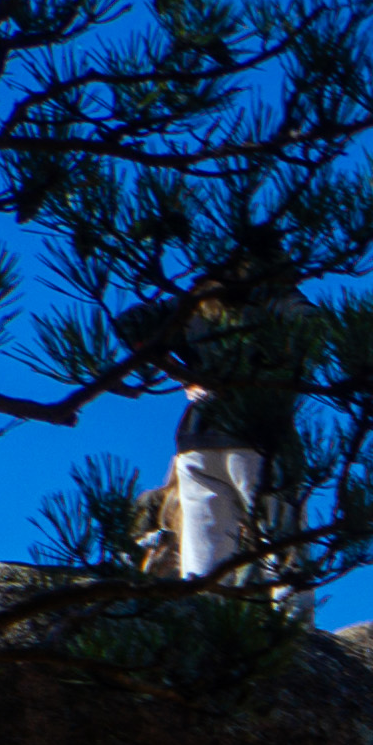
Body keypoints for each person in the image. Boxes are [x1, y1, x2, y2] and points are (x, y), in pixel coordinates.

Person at [116, 261, 322, 615]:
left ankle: (205, 644)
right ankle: (295, 640)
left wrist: (183, 373)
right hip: (259, 436)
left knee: (203, 567)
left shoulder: (199, 302)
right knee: (283, 545)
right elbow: (314, 328)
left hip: (197, 440)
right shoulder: (273, 297)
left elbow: (130, 323)